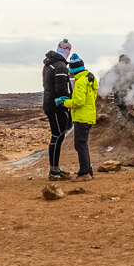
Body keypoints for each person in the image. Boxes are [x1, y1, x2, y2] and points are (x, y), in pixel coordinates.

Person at [55, 53, 98, 181]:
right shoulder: (90, 78)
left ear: (73, 70)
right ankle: (88, 171)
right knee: (82, 144)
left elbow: (79, 101)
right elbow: (90, 97)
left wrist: (65, 102)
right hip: (89, 115)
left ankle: (84, 173)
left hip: (81, 117)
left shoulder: (80, 82)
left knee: (80, 144)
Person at [41, 40, 73, 180]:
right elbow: (61, 89)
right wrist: (68, 101)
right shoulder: (60, 66)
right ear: (68, 51)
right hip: (56, 106)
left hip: (49, 103)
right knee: (57, 136)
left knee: (57, 136)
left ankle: (55, 169)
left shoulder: (48, 65)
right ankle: (54, 172)